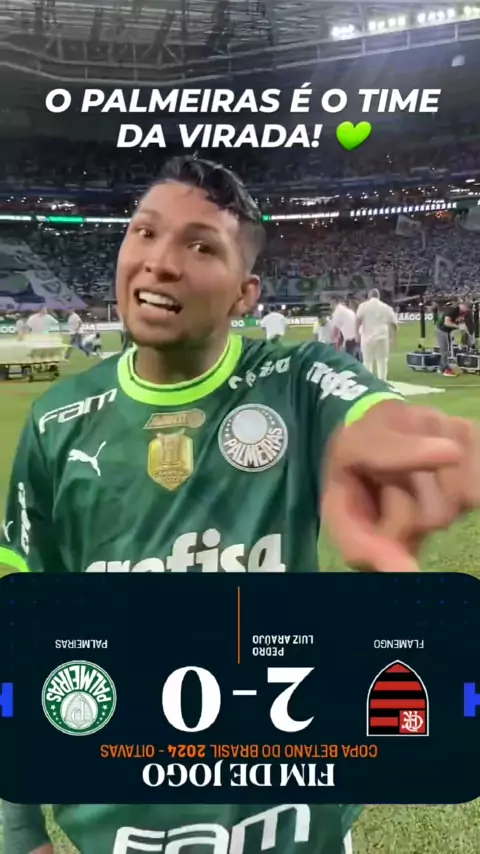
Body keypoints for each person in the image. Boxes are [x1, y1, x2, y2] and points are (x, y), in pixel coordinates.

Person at [1, 156, 479, 854]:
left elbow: (362, 407)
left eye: (201, 246)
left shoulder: (295, 379)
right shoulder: (57, 423)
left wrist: (385, 432)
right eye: (144, 232)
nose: (160, 262)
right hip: (121, 829)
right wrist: (17, 828)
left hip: (296, 824)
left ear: (244, 293)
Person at [355, 289, 397, 381]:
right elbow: (393, 324)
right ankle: (382, 381)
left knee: (367, 361)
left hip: (367, 337)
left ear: (369, 296)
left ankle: (369, 381)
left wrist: (357, 334)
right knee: (382, 360)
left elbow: (358, 320)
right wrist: (394, 338)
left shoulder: (363, 306)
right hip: (382, 337)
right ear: (378, 296)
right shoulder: (386, 307)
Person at [435, 299, 469, 376]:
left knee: (446, 350)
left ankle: (441, 368)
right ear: (461, 305)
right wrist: (458, 327)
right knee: (445, 351)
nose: (467, 309)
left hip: (446, 331)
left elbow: (460, 322)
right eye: (466, 307)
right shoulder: (453, 310)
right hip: (442, 330)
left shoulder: (461, 312)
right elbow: (447, 323)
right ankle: (446, 370)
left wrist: (464, 329)